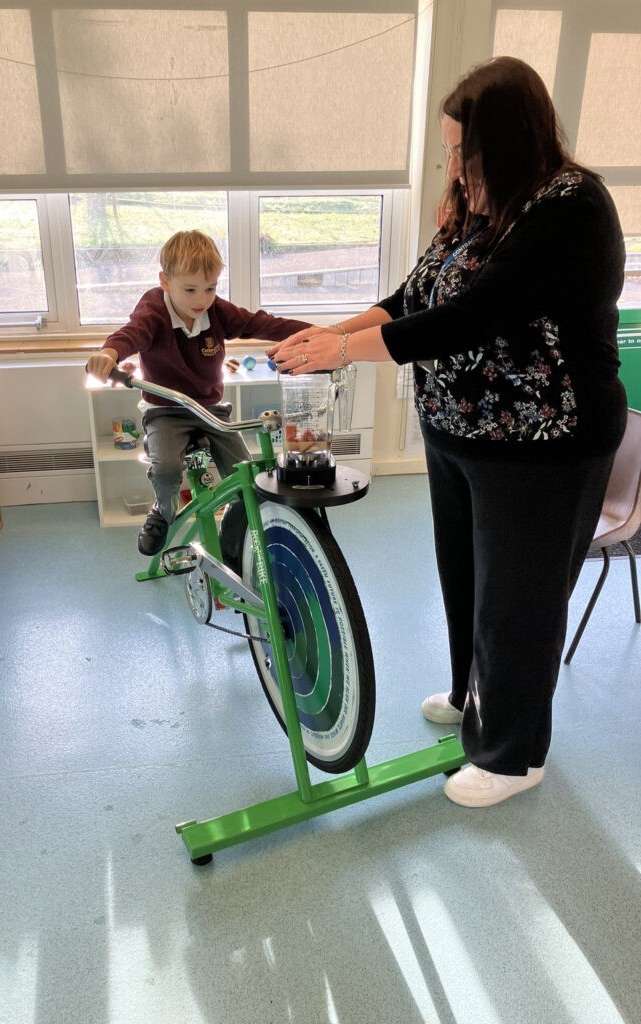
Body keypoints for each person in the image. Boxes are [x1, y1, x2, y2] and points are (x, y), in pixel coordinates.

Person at [267, 56, 627, 808]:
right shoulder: (475, 204)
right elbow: (412, 298)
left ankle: (511, 755)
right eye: (448, 150)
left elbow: (471, 316)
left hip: (544, 446)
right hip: (460, 437)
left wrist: (347, 351)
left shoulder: (568, 206)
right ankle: (475, 702)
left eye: (462, 150)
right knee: (467, 584)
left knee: (518, 602)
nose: (452, 165)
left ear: (507, 140)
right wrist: (330, 334)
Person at [87, 230, 309, 557]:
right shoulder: (154, 310)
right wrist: (109, 354)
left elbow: (261, 323)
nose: (201, 300)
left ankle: (238, 531)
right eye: (190, 289)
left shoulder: (215, 311)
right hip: (165, 411)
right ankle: (161, 511)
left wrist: (315, 333)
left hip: (210, 410)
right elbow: (130, 334)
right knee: (165, 468)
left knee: (243, 471)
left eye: (210, 288)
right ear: (165, 281)